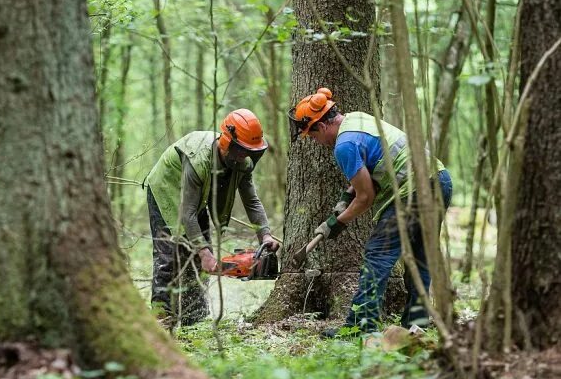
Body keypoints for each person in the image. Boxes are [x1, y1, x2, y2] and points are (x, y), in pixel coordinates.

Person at [287, 87, 453, 337]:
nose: (315, 141)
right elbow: (370, 170)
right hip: (439, 180)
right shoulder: (357, 119)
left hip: (413, 192)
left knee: (378, 255)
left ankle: (360, 327)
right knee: (420, 257)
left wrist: (335, 223)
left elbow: (365, 197)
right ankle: (416, 324)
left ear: (321, 127)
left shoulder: (344, 146)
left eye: (312, 135)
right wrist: (345, 197)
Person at [145, 109, 280, 326]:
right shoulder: (198, 160)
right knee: (170, 257)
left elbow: (251, 201)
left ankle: (194, 318)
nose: (243, 156)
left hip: (196, 199)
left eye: (248, 151)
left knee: (198, 256)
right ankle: (162, 320)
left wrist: (265, 235)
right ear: (227, 142)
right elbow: (186, 213)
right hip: (166, 189)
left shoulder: (242, 163)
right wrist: (205, 253)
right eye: (240, 150)